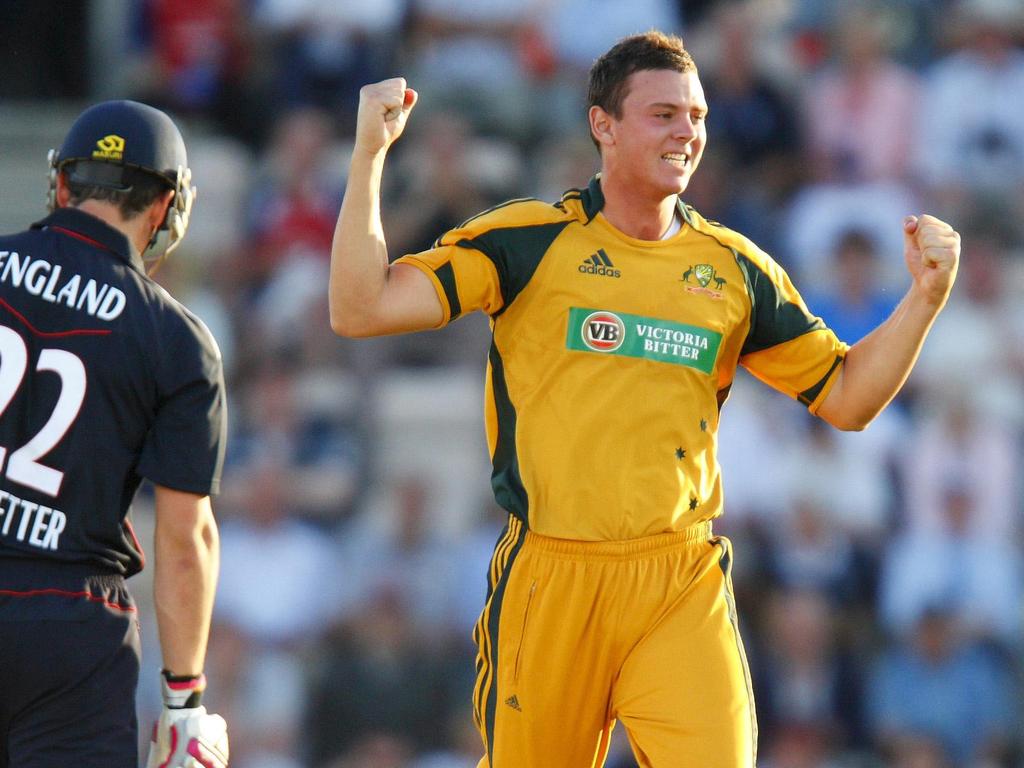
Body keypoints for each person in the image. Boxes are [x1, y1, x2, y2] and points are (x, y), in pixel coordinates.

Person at [329, 31, 960, 768]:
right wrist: (370, 156)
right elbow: (359, 308)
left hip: (678, 577)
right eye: (663, 114)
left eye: (696, 116)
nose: (687, 132)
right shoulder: (528, 244)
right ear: (604, 124)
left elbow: (848, 399)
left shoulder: (734, 269)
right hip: (553, 578)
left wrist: (924, 298)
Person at [0, 101, 229, 767]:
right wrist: (184, 699)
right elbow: (186, 538)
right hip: (70, 628)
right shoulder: (176, 339)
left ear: (63, 186)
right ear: (164, 207)